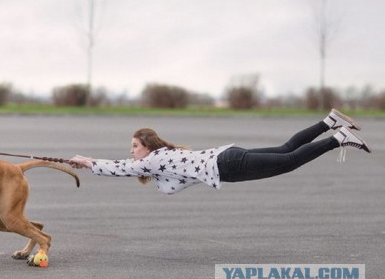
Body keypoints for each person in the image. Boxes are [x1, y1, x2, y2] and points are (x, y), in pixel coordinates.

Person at [68, 109, 371, 195]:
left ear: (148, 147)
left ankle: (339, 138)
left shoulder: (155, 160)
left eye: (135, 146)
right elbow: (129, 167)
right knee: (286, 150)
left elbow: (121, 168)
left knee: (289, 161)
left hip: (228, 165)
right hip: (228, 160)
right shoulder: (160, 161)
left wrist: (88, 162)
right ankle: (331, 122)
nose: (131, 152)